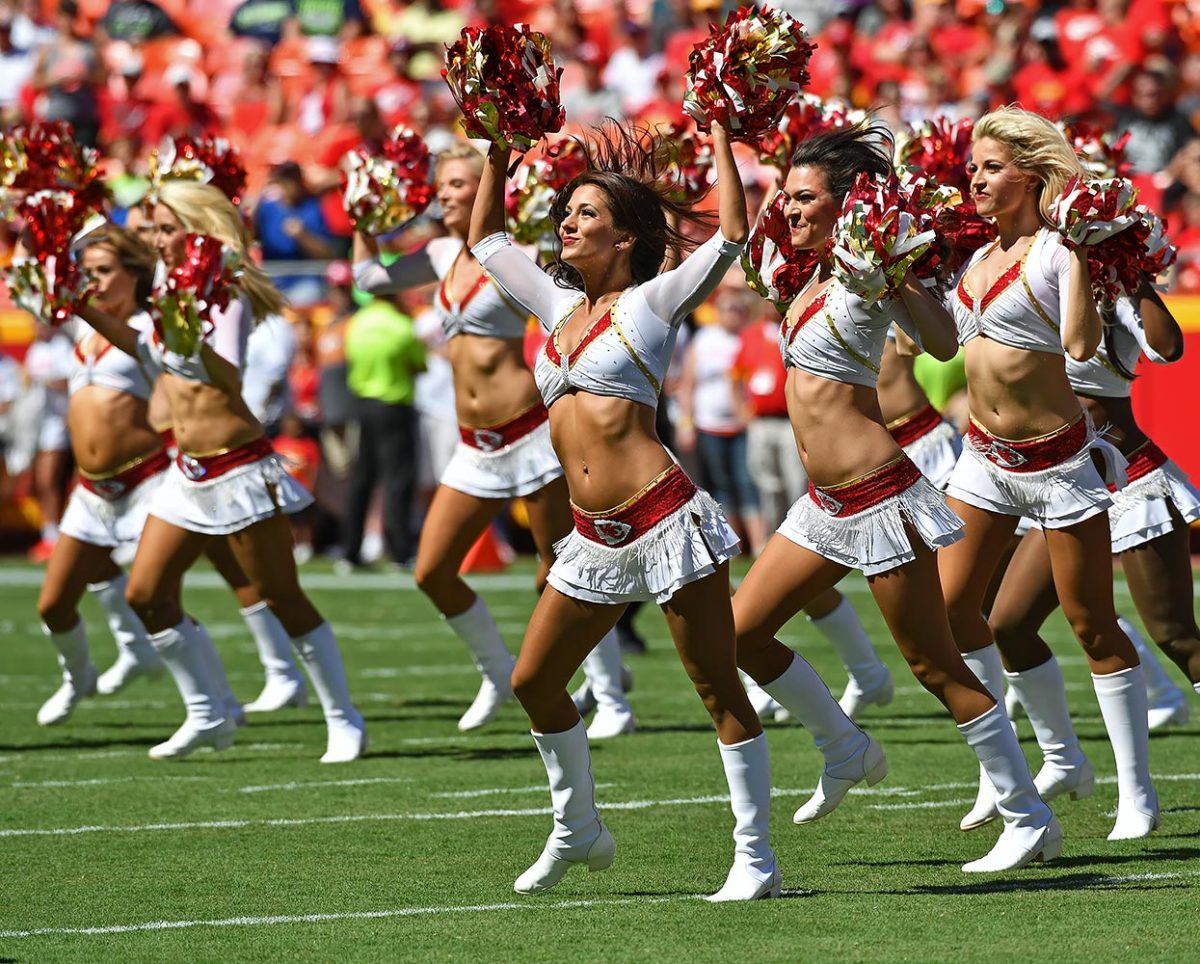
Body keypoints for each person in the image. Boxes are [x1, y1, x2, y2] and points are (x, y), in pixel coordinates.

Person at [736, 122, 1058, 873]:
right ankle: (844, 747)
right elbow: (734, 235)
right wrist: (732, 133)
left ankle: (1027, 813)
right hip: (821, 505)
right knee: (741, 633)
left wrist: (895, 262)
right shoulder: (804, 276)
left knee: (934, 663)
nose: (789, 209)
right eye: (785, 196)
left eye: (804, 197)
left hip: (879, 495)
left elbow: (945, 342)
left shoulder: (862, 271)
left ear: (847, 205)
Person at [470, 121, 780, 901]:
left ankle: (756, 859)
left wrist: (717, 128)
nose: (567, 222)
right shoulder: (555, 303)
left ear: (627, 237)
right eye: (566, 212)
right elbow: (484, 241)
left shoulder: (652, 301)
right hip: (591, 538)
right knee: (534, 682)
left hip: (664, 522)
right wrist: (495, 150)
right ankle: (579, 832)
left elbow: (733, 236)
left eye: (585, 214)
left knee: (716, 687)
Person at [75, 180, 365, 763]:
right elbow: (146, 351)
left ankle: (344, 717)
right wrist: (77, 303)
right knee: (146, 593)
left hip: (237, 469)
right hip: (185, 472)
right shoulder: (166, 285)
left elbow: (228, 377)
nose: (156, 240)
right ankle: (209, 713)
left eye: (167, 228)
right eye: (153, 229)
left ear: (198, 229)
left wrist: (189, 336)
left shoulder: (225, 287)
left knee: (282, 596)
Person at [352, 143, 632, 737]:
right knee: (432, 571)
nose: (449, 193)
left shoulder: (517, 252)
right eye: (445, 184)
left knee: (561, 566)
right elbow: (367, 276)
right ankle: (496, 671)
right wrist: (364, 217)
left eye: (461, 183)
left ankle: (612, 700)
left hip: (530, 433)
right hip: (473, 445)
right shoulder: (433, 252)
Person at [938, 106, 1158, 841]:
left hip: (1058, 463)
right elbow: (939, 348)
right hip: (982, 458)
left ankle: (1137, 791)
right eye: (973, 166)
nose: (976, 178)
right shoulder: (975, 260)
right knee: (951, 610)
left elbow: (1078, 346)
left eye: (993, 167)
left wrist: (1092, 261)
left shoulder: (1058, 252)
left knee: (1091, 623)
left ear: (1032, 176)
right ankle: (1048, 761)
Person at [989, 283, 1198, 777]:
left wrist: (1133, 268)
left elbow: (1168, 349)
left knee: (1174, 635)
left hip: (1124, 478)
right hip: (1058, 482)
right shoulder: (1017, 274)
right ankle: (1063, 759)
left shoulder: (1113, 284)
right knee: (1009, 624)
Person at [30, 226, 167, 725]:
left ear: (135, 273)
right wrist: (35, 218)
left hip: (148, 482)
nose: (95, 284)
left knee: (158, 599)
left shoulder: (156, 326)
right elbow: (27, 278)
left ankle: (218, 703)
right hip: (91, 491)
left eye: (105, 272)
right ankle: (80, 676)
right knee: (53, 606)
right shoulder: (79, 327)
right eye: (88, 274)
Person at [338, 289, 425, 570]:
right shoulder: (401, 325)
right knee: (398, 479)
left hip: (363, 405)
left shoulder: (358, 322)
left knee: (361, 479)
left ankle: (350, 550)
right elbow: (419, 364)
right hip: (395, 405)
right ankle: (400, 551)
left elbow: (350, 359)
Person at [22, 321, 73, 562]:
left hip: (60, 422)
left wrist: (46, 382)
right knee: (40, 482)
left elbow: (68, 382)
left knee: (49, 478)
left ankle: (54, 537)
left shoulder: (62, 347)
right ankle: (49, 533)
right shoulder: (35, 349)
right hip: (38, 423)